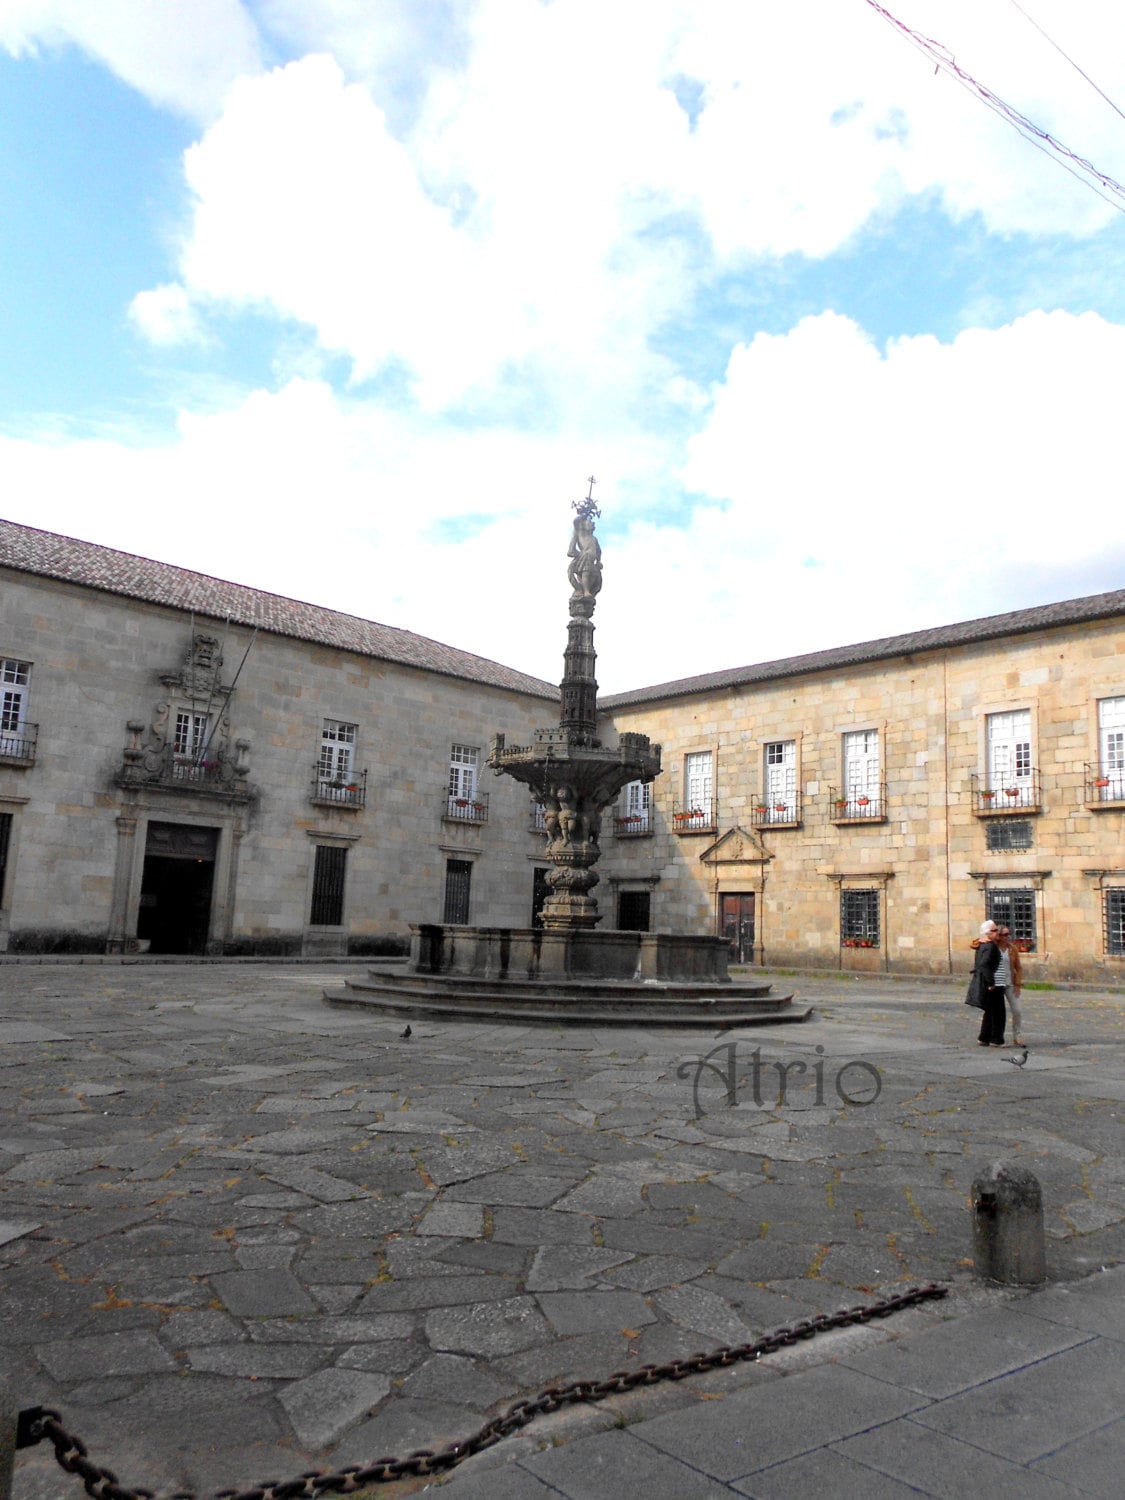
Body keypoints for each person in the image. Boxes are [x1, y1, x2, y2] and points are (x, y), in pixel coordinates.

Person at [969, 918, 1006, 1046]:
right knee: (998, 1013)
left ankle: (984, 1037)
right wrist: (991, 983)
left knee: (990, 1012)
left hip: (988, 982)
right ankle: (996, 1039)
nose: (998, 932)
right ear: (988, 933)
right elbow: (984, 965)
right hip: (992, 983)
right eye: (995, 930)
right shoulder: (990, 947)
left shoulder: (983, 945)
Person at [996, 926, 1025, 1045]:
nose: (1007, 937)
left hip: (1010, 983)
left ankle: (1017, 1035)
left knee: (1017, 1010)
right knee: (997, 1012)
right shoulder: (993, 948)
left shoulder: (1012, 949)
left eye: (1008, 934)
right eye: (1004, 934)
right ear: (999, 935)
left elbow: (1018, 967)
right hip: (997, 983)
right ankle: (996, 1036)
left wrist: (1018, 983)